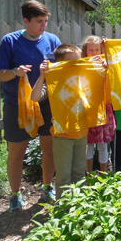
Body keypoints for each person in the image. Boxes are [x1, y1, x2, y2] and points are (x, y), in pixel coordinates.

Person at [0, 0, 59, 212]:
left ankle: (47, 187)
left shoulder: (52, 40)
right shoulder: (10, 41)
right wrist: (15, 72)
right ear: (26, 20)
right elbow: (1, 75)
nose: (44, 26)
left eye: (46, 21)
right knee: (16, 151)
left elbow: (62, 68)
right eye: (39, 21)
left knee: (48, 149)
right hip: (17, 105)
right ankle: (15, 194)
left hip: (46, 104)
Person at [31, 44, 85, 200]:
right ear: (59, 64)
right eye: (71, 62)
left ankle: (79, 208)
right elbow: (34, 97)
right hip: (62, 136)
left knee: (80, 175)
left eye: (78, 61)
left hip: (82, 134)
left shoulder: (83, 79)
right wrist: (43, 75)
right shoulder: (53, 83)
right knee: (63, 178)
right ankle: (64, 213)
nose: (75, 65)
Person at [81, 36, 115, 173]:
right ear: (85, 51)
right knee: (88, 145)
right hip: (88, 110)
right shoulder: (81, 65)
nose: (94, 52)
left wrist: (108, 68)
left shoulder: (106, 64)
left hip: (103, 108)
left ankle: (103, 175)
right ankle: (88, 176)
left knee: (103, 145)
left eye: (97, 49)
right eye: (91, 50)